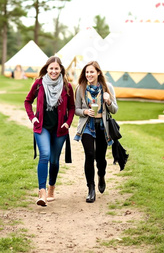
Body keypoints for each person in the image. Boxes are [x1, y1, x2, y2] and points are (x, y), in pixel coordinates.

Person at [24, 56, 75, 206]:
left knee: (54, 160)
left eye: (56, 68)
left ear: (61, 70)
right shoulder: (39, 84)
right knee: (44, 155)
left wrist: (68, 122)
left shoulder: (67, 86)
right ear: (47, 69)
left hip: (60, 129)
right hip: (42, 127)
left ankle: (52, 187)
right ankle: (42, 192)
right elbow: (27, 101)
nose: (53, 71)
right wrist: (32, 118)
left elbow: (71, 107)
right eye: (51, 68)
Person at [74, 61, 118, 203]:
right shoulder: (80, 88)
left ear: (98, 72)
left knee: (100, 158)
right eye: (87, 72)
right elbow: (76, 109)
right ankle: (91, 189)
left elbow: (115, 110)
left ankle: (101, 175)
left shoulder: (107, 87)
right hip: (87, 126)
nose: (89, 75)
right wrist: (85, 111)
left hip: (102, 127)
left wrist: (109, 101)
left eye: (92, 72)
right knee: (89, 154)